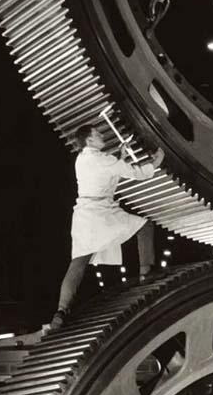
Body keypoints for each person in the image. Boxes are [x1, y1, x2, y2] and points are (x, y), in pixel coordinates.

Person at [47, 124, 164, 332]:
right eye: (98, 134)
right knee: (145, 227)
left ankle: (61, 311)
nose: (102, 136)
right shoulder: (104, 160)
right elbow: (137, 174)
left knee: (78, 263)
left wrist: (119, 156)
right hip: (103, 213)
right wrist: (157, 161)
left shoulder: (82, 159)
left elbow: (107, 172)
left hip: (85, 213)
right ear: (89, 140)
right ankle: (147, 274)